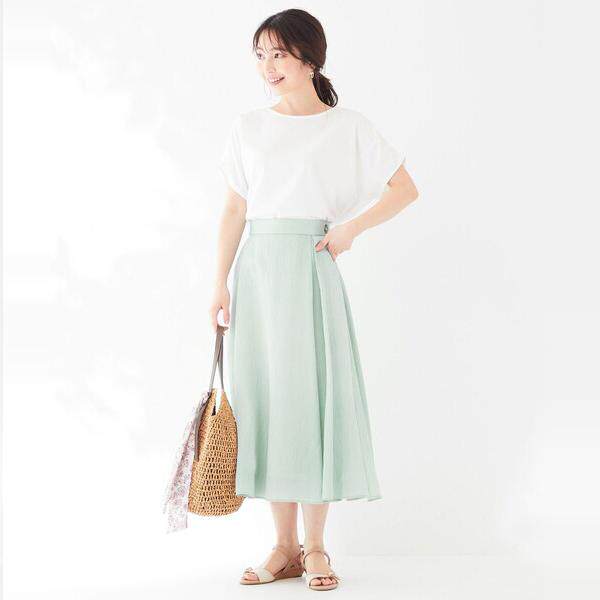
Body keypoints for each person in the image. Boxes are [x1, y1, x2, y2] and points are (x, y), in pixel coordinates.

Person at [209, 8, 419, 591]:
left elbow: (404, 189)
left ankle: (317, 547)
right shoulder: (248, 127)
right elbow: (234, 209)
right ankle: (283, 548)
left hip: (311, 266)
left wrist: (351, 229)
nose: (268, 66)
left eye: (279, 54)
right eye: (260, 55)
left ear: (309, 57)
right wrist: (218, 281)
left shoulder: (347, 126)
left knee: (314, 399)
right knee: (270, 400)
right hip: (258, 273)